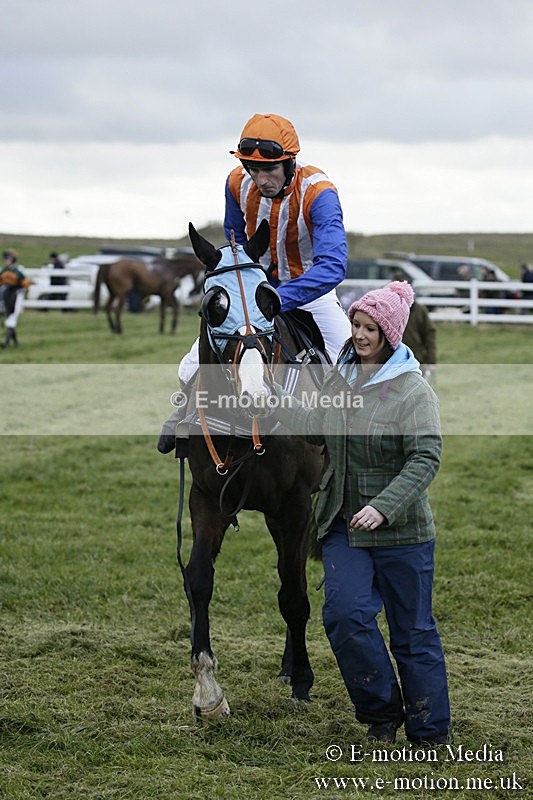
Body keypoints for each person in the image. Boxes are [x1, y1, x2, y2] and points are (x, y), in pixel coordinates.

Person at [269, 281, 451, 745]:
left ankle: (429, 732)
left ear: (390, 333)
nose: (361, 334)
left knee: (412, 633)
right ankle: (381, 715)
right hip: (342, 524)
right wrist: (272, 399)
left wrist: (383, 508)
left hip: (402, 531)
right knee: (345, 616)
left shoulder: (412, 390)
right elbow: (316, 425)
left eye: (371, 327)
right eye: (356, 324)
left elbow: (425, 458)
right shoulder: (342, 376)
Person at [158, 112, 351, 452]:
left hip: (310, 291)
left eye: (269, 169)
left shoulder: (320, 193)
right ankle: (184, 413)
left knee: (352, 365)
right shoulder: (236, 183)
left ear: (290, 162)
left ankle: (351, 446)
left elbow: (333, 266)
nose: (261, 179)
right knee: (191, 364)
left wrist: (275, 298)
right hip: (252, 292)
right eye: (253, 169)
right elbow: (235, 247)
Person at [0, 249, 30, 348]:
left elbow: (24, 284)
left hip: (16, 296)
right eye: (5, 259)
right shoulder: (3, 271)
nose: (6, 261)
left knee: (11, 318)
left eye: (8, 259)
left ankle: (7, 342)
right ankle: (15, 343)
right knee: (8, 319)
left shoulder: (17, 272)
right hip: (7, 296)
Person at [402, 297, 437, 379]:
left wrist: (431, 361)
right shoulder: (389, 310)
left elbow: (429, 334)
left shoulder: (419, 311)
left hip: (416, 359)